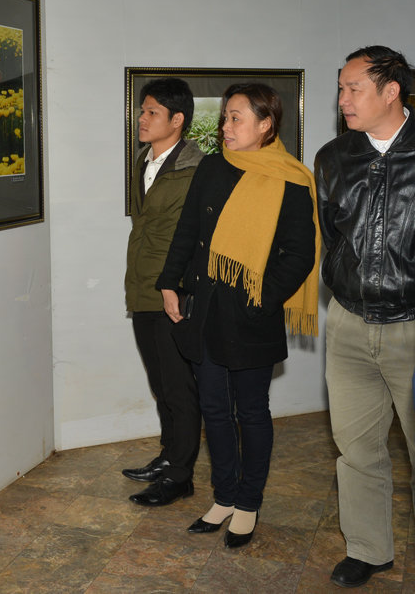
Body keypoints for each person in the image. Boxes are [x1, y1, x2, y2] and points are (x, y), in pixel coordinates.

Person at [157, 83, 319, 548]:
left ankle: (248, 502)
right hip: (205, 309)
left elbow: (300, 254)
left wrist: (259, 298)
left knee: (251, 411)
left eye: (235, 118)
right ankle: (224, 495)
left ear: (265, 125)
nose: (225, 127)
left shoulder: (291, 178)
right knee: (213, 408)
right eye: (225, 117)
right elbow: (188, 228)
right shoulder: (212, 166)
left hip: (250, 316)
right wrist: (169, 282)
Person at [314, 45, 415, 588]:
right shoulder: (333, 157)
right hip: (349, 324)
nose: (343, 99)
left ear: (391, 90)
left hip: (412, 326)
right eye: (340, 88)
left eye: (354, 88)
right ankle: (368, 549)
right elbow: (332, 237)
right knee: (356, 449)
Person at [123, 77, 205, 507]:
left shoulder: (196, 169)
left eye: (152, 112)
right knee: (160, 384)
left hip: (173, 291)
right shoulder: (143, 161)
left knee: (178, 387)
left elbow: (196, 237)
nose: (142, 118)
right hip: (141, 286)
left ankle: (180, 476)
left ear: (177, 120)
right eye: (142, 110)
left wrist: (179, 286)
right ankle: (169, 455)